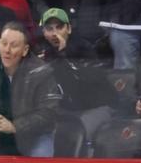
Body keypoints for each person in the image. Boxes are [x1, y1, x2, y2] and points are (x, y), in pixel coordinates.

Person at [0, 22, 61, 157]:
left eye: (14, 45)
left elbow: (49, 112)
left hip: (34, 137)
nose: (7, 50)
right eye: (4, 43)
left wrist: (14, 126)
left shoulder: (41, 71)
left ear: (25, 50)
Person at [39, 8, 116, 138]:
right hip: (68, 109)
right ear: (44, 32)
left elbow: (83, 84)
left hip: (97, 107)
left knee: (72, 132)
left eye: (59, 27)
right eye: (49, 29)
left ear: (68, 29)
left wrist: (64, 54)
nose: (54, 33)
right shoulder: (47, 53)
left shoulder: (83, 48)